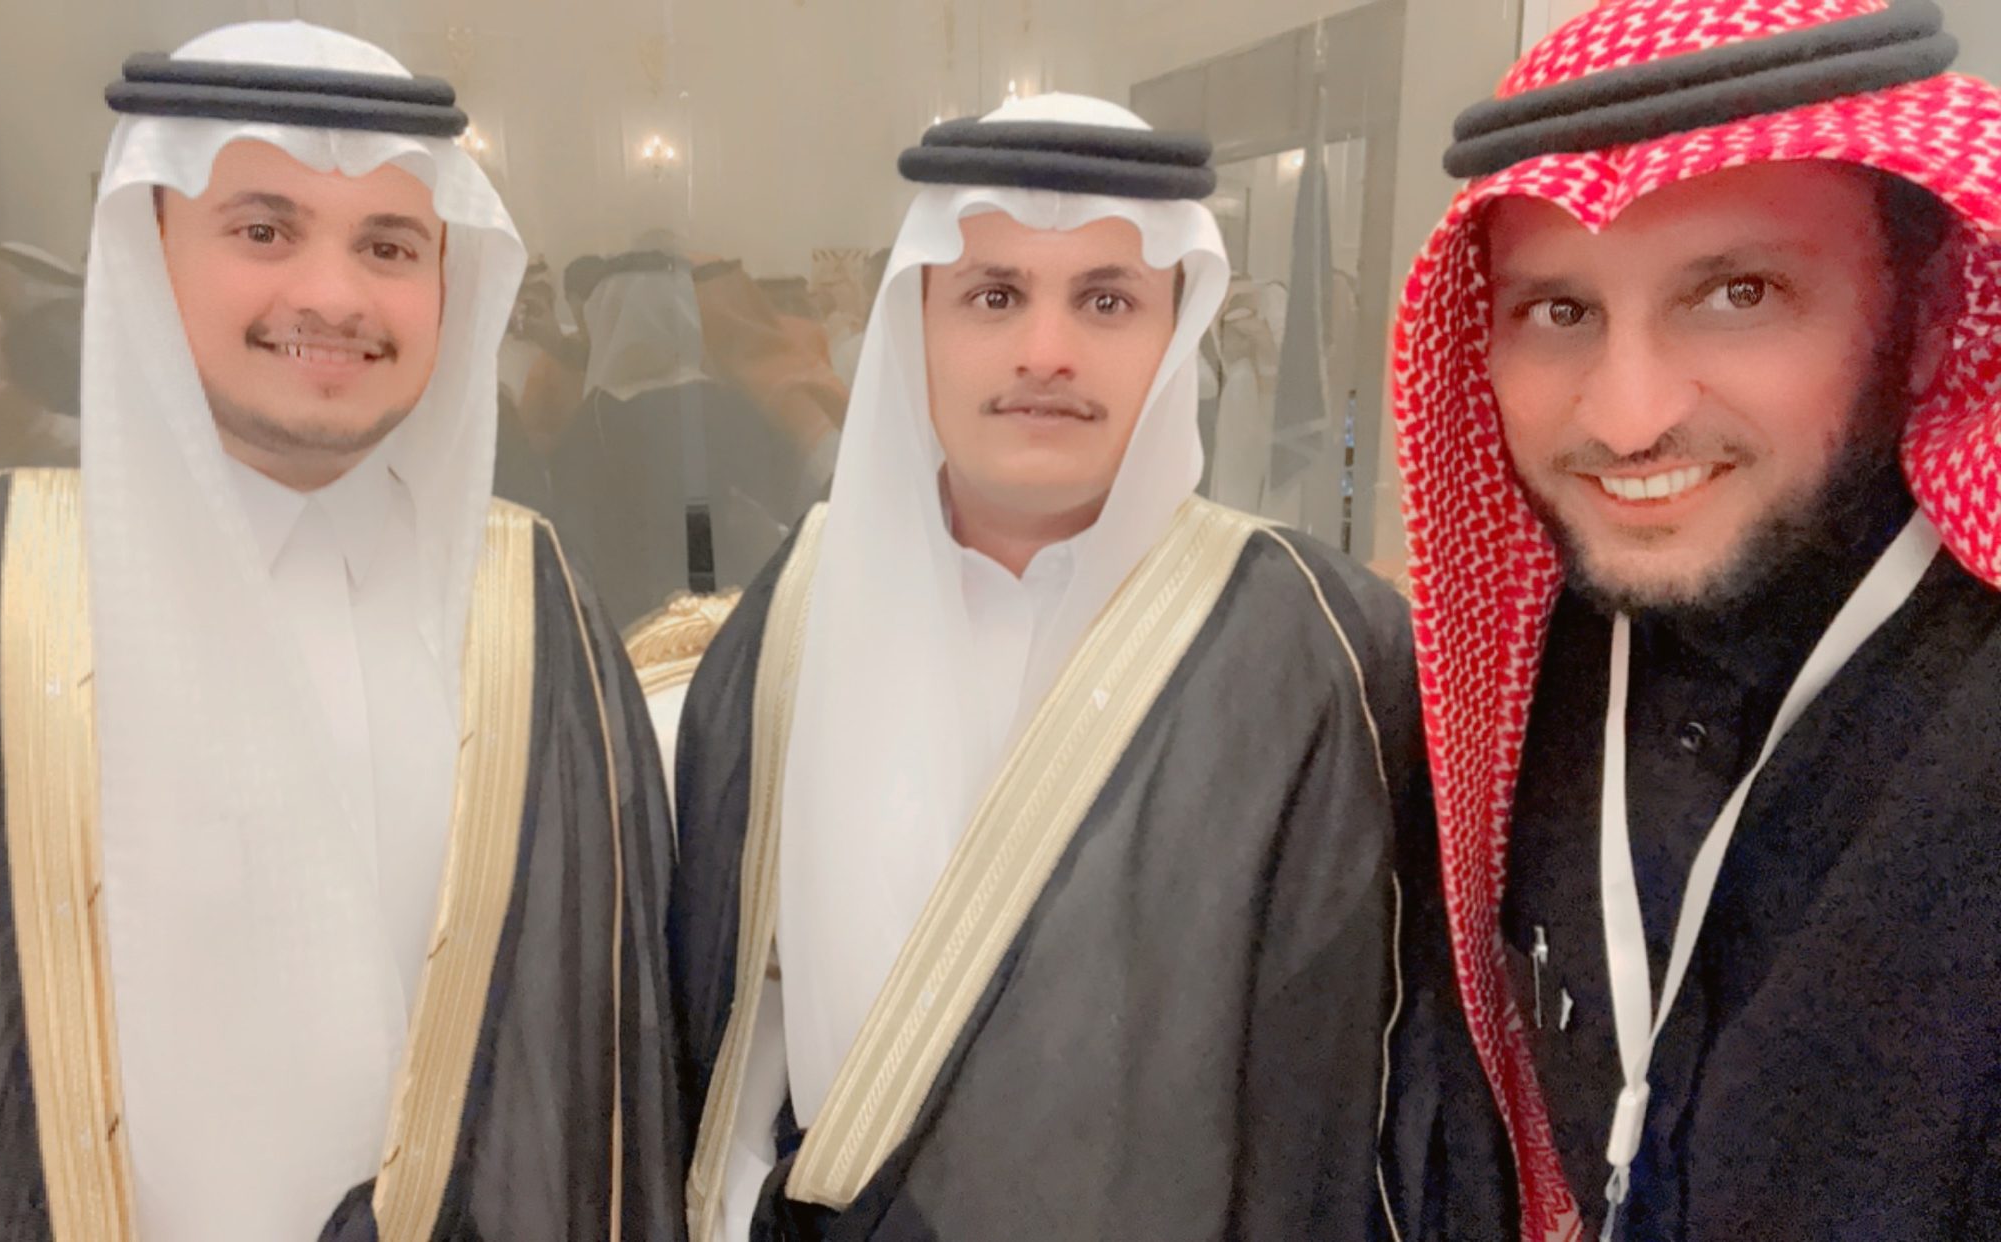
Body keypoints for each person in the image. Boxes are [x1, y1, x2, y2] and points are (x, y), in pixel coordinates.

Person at [0, 21, 682, 1240]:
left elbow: (610, 1074)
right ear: (148, 248)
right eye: (263, 231)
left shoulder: (532, 608)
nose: (331, 295)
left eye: (388, 245)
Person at [671, 93, 1425, 1241]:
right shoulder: (799, 612)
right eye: (994, 296)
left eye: (1107, 301)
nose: (1045, 353)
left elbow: (1347, 1093)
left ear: (1174, 329)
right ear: (919, 321)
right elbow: (726, 1028)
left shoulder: (1315, 642)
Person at [1394, 0, 2001, 1236]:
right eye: (1559, 312)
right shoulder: (1522, 671)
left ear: (1929, 307)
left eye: (1737, 292)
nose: (1627, 418)